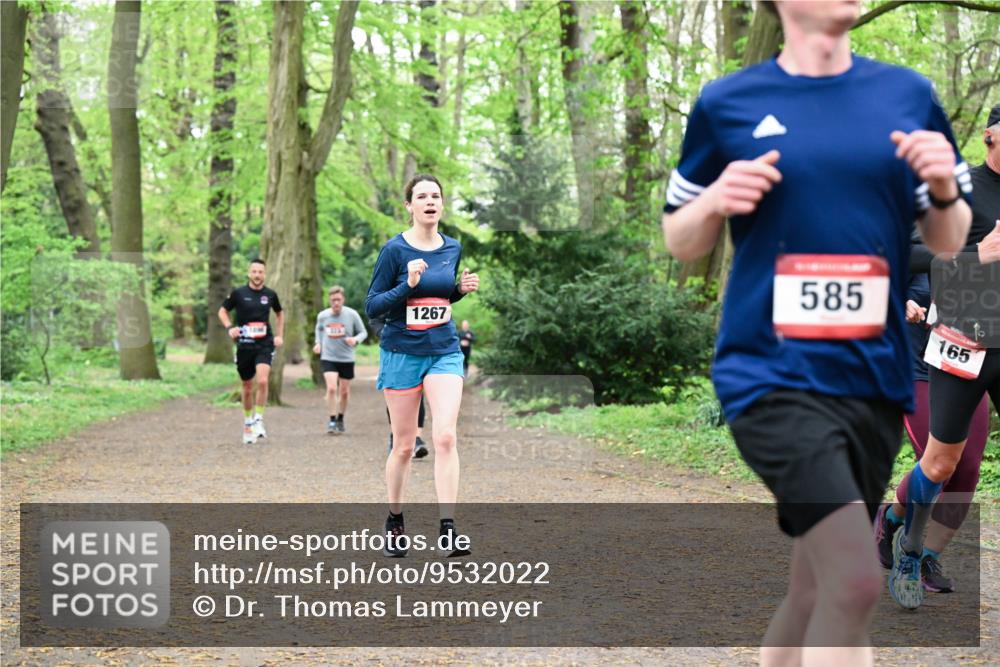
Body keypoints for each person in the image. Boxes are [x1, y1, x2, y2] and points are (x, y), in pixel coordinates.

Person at [661, 1, 971, 661]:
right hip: (769, 375)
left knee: (813, 589)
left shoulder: (907, 95)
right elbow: (680, 239)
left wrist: (944, 188)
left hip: (872, 378)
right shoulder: (728, 102)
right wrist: (715, 199)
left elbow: (949, 240)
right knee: (854, 580)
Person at [888, 103, 1000, 609]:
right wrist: (977, 255)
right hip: (963, 341)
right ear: (990, 136)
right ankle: (909, 549)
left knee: (963, 467)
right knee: (942, 462)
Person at [365, 173, 479, 558]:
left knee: (445, 436)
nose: (430, 201)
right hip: (401, 353)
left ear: (442, 204)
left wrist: (458, 291)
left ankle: (448, 529)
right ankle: (395, 520)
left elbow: (440, 297)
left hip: (444, 350)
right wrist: (407, 285)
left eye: (435, 196)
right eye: (422, 196)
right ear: (409, 205)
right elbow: (373, 306)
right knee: (403, 446)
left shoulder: (452, 247)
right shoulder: (394, 251)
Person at [218, 259, 284, 445]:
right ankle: (248, 423)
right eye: (254, 271)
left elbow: (280, 313)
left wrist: (279, 335)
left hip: (265, 344)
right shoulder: (238, 293)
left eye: (260, 272)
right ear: (249, 273)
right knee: (247, 387)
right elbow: (222, 311)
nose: (257, 275)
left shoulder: (270, 295)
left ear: (265, 274)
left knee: (262, 381)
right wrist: (230, 327)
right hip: (245, 345)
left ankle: (258, 420)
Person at [313, 285, 367, 434]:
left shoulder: (352, 314)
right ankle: (332, 420)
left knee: (344, 392)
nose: (336, 303)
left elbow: (363, 332)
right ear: (329, 300)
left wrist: (355, 340)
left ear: (343, 299)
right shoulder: (323, 315)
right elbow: (319, 330)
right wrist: (318, 343)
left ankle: (340, 418)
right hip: (328, 357)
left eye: (338, 299)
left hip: (346, 358)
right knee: (331, 388)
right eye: (333, 300)